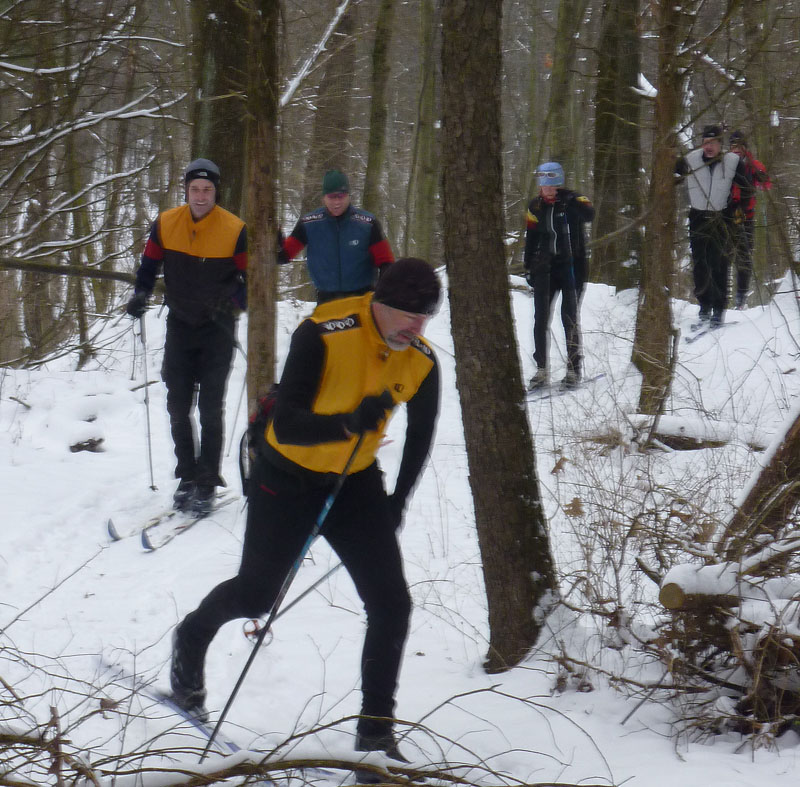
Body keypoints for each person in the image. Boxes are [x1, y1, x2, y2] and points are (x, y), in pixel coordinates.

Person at [169, 258, 441, 764]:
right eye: (408, 314)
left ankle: (375, 737)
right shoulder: (323, 332)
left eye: (426, 317)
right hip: (286, 477)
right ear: (378, 303)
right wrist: (345, 424)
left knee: (391, 604)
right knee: (255, 596)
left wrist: (397, 501)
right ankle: (192, 636)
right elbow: (286, 425)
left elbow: (421, 437)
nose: (417, 327)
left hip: (354, 483)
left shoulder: (421, 359)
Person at [126, 158, 247, 515]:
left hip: (217, 329)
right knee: (178, 406)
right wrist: (140, 295)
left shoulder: (234, 228)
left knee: (210, 408)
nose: (200, 196)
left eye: (207, 190)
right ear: (186, 190)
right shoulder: (166, 223)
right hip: (180, 323)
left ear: (216, 192)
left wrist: (233, 305)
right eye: (195, 189)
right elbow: (149, 265)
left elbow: (251, 279)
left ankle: (208, 479)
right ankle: (187, 476)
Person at [523, 162, 594, 391]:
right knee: (540, 318)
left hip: (573, 266)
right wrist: (528, 267)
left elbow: (589, 215)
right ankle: (542, 369)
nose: (548, 189)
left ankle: (574, 369)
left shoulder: (574, 200)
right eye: (544, 185)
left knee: (569, 317)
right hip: (546, 268)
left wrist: (572, 202)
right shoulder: (535, 206)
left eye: (552, 184)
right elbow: (531, 238)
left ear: (559, 183)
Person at [675, 125, 753, 326]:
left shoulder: (732, 162)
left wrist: (737, 208)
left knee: (720, 263)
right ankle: (704, 305)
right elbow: (673, 177)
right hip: (698, 216)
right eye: (706, 142)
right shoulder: (690, 159)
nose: (709, 147)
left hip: (722, 217)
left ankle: (718, 308)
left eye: (713, 143)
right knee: (700, 263)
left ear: (721, 144)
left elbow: (747, 188)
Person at [278, 169, 394, 303]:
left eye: (341, 196)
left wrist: (381, 294)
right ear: (323, 198)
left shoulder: (368, 224)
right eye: (332, 197)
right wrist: (275, 241)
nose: (337, 202)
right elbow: (284, 255)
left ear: (349, 196)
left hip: (362, 300)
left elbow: (387, 263)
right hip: (326, 301)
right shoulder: (309, 224)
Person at [728, 129, 772, 309]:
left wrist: (761, 178)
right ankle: (721, 298)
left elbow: (766, 184)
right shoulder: (725, 163)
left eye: (739, 146)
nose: (736, 150)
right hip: (727, 215)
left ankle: (740, 298)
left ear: (745, 148)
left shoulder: (753, 165)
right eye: (733, 146)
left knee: (744, 256)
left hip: (747, 216)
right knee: (724, 255)